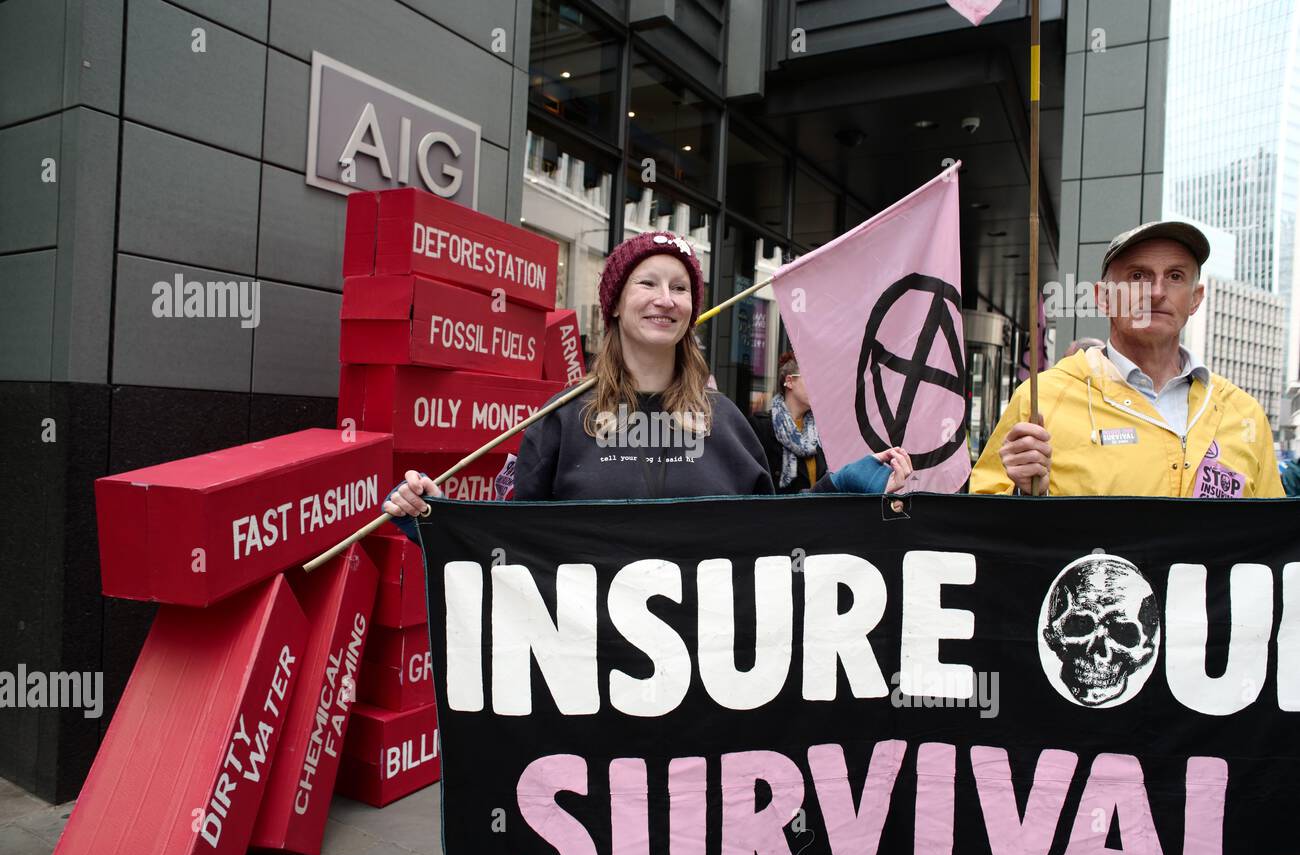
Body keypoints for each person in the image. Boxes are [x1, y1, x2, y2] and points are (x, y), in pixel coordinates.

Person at [385, 231, 913, 526]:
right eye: (648, 283)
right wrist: (434, 517)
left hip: (708, 689)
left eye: (679, 288)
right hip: (584, 687)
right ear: (614, 304)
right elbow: (507, 541)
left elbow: (774, 539)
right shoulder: (563, 419)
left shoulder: (726, 423)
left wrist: (845, 486)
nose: (665, 300)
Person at [971, 221, 1283, 497]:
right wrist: (1019, 494)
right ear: (1103, 297)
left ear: (1195, 298)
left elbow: (1272, 539)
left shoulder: (1244, 414)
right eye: (1137, 276)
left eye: (1175, 276)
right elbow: (984, 526)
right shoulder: (1041, 399)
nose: (1157, 292)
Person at [750, 352, 828, 494]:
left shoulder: (820, 429)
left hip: (817, 512)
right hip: (780, 513)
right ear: (789, 381)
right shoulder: (762, 427)